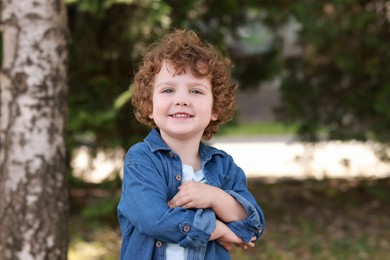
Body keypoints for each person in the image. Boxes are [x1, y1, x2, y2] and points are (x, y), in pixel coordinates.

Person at [117, 29, 265, 260]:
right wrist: (219, 229)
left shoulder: (223, 166)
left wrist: (214, 197)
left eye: (196, 91)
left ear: (215, 108)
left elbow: (251, 228)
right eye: (168, 90)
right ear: (149, 106)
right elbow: (155, 221)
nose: (182, 99)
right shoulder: (142, 159)